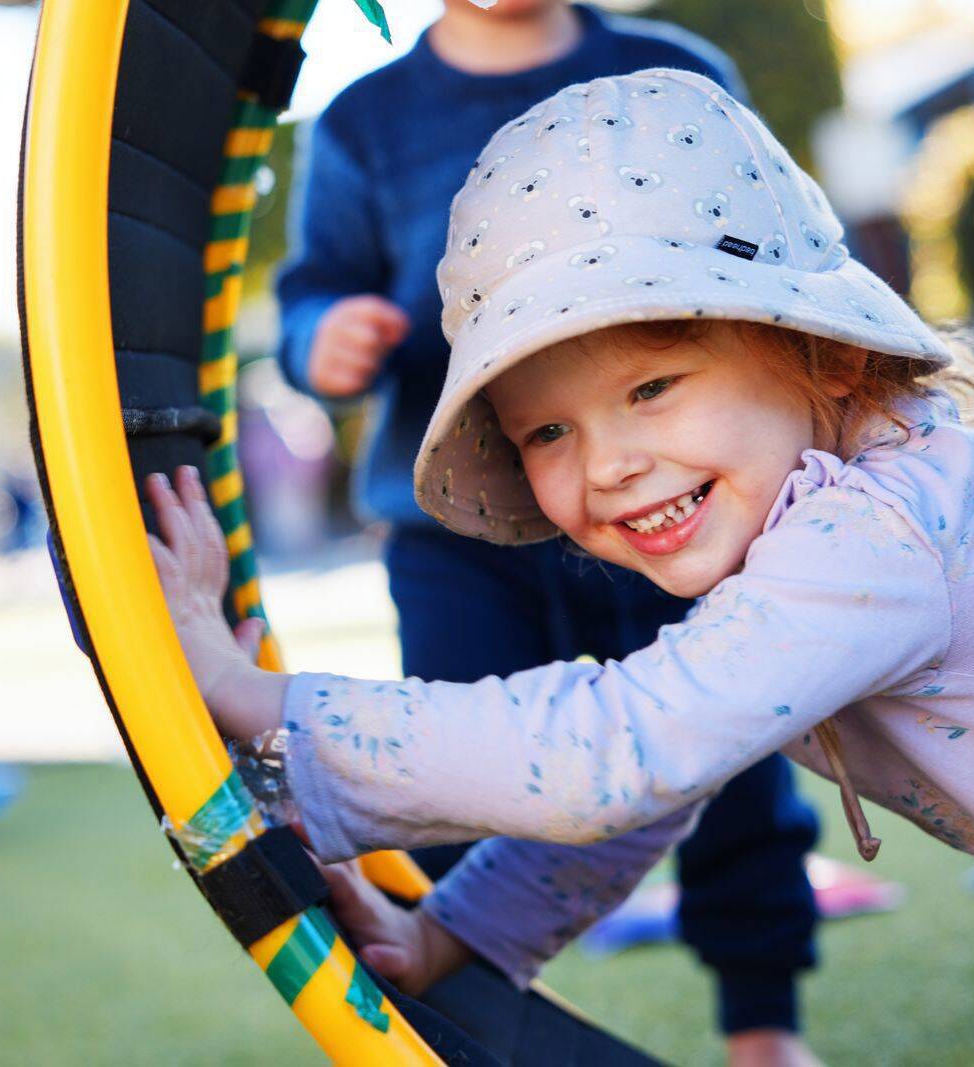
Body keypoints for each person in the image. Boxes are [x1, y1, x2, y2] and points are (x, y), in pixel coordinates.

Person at [156, 70, 974, 1062]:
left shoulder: (881, 533)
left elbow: (611, 753)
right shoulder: (795, 552)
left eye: (651, 387)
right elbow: (656, 792)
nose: (605, 463)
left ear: (827, 356)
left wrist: (257, 704)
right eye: (544, 432)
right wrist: (461, 935)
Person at [275, 4, 820, 1060]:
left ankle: (762, 1019)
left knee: (733, 753)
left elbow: (769, 245)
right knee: (456, 761)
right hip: (458, 529)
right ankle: (439, 1010)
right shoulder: (366, 122)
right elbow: (312, 285)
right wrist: (320, 338)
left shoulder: (668, 70)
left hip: (669, 490)